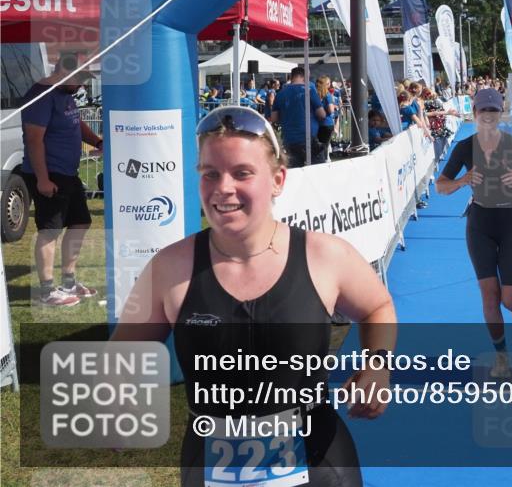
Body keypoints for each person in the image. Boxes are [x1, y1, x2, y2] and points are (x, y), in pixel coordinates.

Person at [112, 106, 396, 486]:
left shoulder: (324, 255)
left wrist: (376, 365)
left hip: (320, 465)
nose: (223, 188)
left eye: (242, 173)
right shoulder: (170, 268)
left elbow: (377, 306)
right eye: (210, 174)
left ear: (277, 180)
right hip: (211, 465)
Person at [435, 88, 512, 378]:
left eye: (494, 112)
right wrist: (462, 180)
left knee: (511, 301)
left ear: (500, 113)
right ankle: (502, 357)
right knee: (489, 295)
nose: (489, 117)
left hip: (510, 221)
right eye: (484, 112)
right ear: (476, 114)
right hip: (480, 222)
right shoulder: (465, 147)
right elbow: (440, 186)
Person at [21, 53, 103, 307]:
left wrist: (99, 142)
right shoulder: (41, 95)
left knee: (80, 223)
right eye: (80, 77)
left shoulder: (65, 96)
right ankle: (46, 291)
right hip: (48, 172)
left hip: (68, 173)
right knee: (50, 229)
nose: (82, 84)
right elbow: (34, 139)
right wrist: (43, 179)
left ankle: (68, 282)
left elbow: (76, 125)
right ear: (63, 70)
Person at [271, 66, 325, 168]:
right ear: (303, 76)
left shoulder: (280, 94)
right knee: (318, 171)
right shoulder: (309, 91)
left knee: (294, 173)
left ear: (292, 77)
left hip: (289, 139)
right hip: (309, 139)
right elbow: (322, 114)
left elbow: (274, 118)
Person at [315, 76, 339, 163]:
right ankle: (325, 161)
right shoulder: (327, 95)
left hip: (318, 124)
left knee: (320, 145)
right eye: (328, 83)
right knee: (324, 146)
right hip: (327, 124)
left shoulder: (315, 94)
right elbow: (330, 110)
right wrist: (333, 106)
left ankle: (322, 161)